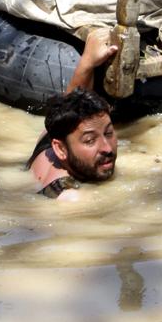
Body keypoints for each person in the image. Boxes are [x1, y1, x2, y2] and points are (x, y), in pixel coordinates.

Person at [26, 30, 120, 200]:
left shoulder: (51, 138)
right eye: (90, 140)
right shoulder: (70, 198)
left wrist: (87, 62)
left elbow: (73, 103)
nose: (107, 147)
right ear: (61, 149)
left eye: (108, 133)